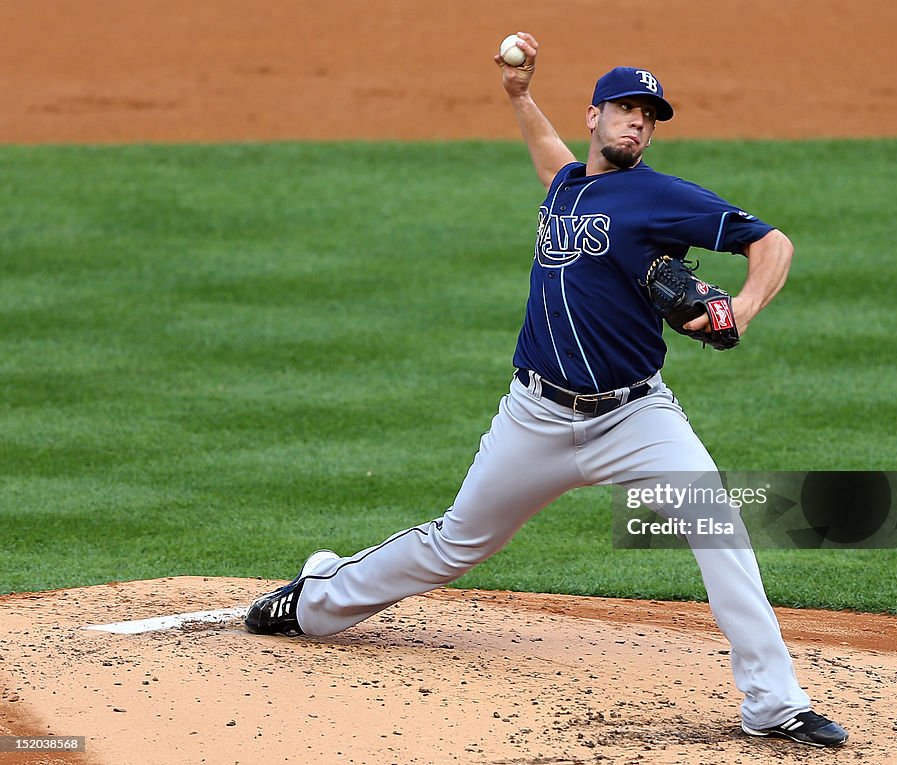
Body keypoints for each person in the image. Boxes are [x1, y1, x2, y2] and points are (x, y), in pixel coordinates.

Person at [245, 32, 848, 749]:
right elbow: (551, 160)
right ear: (593, 116)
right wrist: (520, 96)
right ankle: (315, 600)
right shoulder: (567, 184)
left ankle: (773, 702)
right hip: (534, 414)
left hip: (635, 416)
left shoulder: (661, 196)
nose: (638, 123)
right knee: (454, 543)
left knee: (718, 526)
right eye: (625, 109)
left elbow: (772, 243)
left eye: (648, 116)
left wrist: (739, 312)